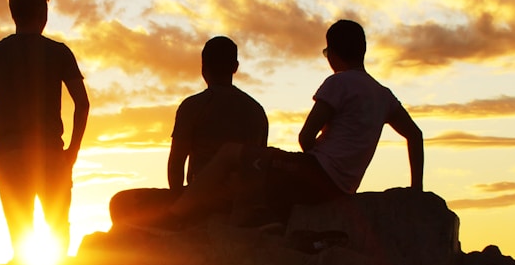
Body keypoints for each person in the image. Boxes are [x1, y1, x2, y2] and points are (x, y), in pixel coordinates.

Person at [169, 19, 423, 225]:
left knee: (229, 153)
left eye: (326, 53)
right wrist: (417, 191)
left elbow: (306, 136)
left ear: (332, 53)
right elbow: (415, 135)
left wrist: (309, 166)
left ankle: (176, 215)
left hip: (316, 171)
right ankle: (264, 220)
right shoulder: (383, 95)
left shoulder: (339, 82)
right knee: (260, 165)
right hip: (344, 187)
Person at [0, 0, 91, 258]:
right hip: (50, 153)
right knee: (58, 227)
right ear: (43, 13)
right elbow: (82, 104)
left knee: (19, 229)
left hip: (9, 153)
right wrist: (73, 150)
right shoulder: (59, 52)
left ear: (13, 15)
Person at [109, 36, 268, 229]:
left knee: (120, 202)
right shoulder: (256, 111)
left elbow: (176, 162)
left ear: (203, 68)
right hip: (240, 202)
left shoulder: (194, 105)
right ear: (235, 67)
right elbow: (259, 166)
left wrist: (179, 205)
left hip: (200, 202)